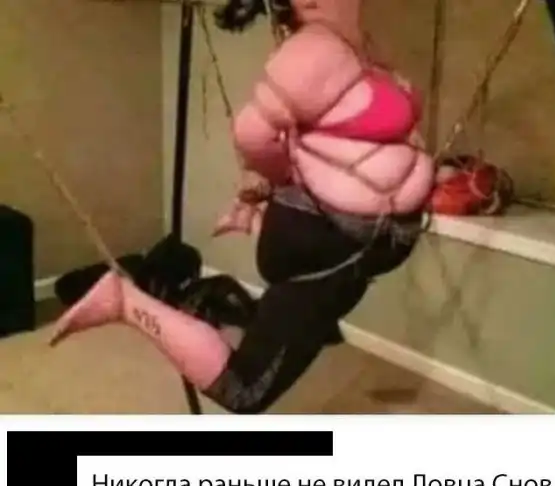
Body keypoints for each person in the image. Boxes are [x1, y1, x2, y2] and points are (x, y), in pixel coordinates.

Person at [50, 0, 436, 414]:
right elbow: (251, 134)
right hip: (326, 240)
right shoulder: (314, 50)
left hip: (355, 245)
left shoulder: (362, 46)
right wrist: (280, 180)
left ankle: (254, 219)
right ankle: (123, 301)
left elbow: (368, 133)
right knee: (245, 388)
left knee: (301, 329)